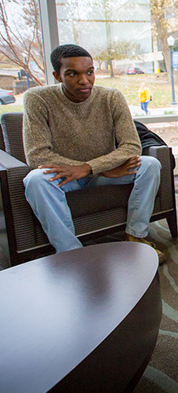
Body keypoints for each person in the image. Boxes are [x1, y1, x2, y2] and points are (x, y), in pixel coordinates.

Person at [22, 44, 166, 264]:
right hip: (69, 177)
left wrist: (91, 169)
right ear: (57, 75)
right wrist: (95, 169)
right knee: (35, 180)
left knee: (150, 165)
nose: (84, 80)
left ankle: (136, 236)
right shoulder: (37, 98)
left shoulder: (111, 97)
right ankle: (71, 253)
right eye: (73, 74)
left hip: (102, 173)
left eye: (89, 72)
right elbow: (37, 155)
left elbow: (131, 146)